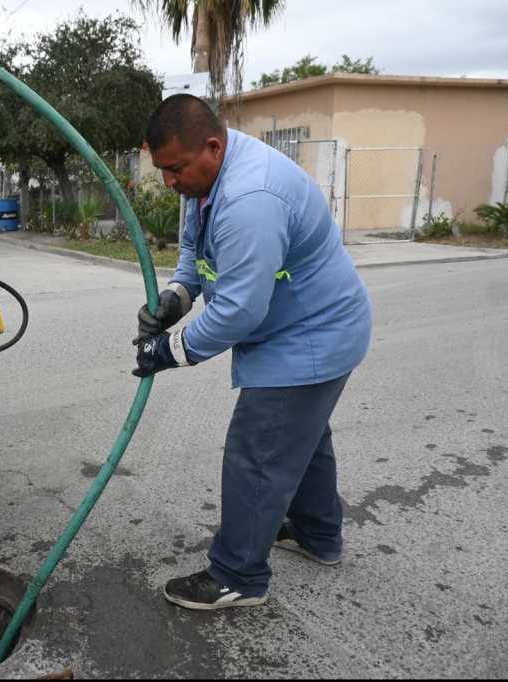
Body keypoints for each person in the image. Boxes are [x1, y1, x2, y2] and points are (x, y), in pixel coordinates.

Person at [132, 94, 372, 610]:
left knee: (259, 452)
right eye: (163, 171)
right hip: (300, 329)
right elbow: (195, 248)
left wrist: (168, 350)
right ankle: (318, 535)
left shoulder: (250, 198)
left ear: (212, 147)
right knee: (302, 439)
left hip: (310, 335)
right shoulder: (204, 176)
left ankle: (237, 574)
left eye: (174, 170)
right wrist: (179, 294)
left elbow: (240, 310)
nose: (169, 182)